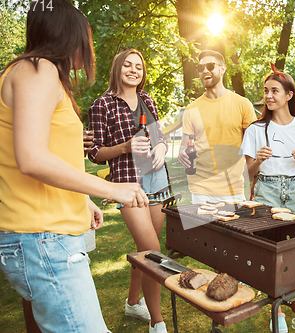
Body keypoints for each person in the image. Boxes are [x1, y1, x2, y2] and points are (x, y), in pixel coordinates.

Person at [0, 1, 148, 332]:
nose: (89, 46)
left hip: (45, 236)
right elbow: (31, 158)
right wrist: (111, 189)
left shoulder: (35, 74)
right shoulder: (38, 69)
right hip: (43, 239)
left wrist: (82, 200)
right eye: (86, 35)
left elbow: (49, 153)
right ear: (69, 33)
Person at [88, 48, 169, 333]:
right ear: (118, 69)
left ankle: (133, 302)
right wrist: (125, 147)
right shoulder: (103, 104)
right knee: (154, 252)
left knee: (144, 250)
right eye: (128, 65)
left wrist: (161, 146)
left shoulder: (148, 98)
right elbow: (95, 153)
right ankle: (157, 323)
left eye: (138, 66)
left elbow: (159, 136)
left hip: (157, 181)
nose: (134, 70)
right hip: (128, 184)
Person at [240, 64, 295, 333]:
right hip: (267, 190)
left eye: (274, 91)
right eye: (266, 91)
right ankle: (277, 311)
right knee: (269, 249)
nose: (268, 96)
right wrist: (257, 161)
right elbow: (247, 174)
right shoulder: (255, 129)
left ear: (289, 95)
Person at [177, 50, 257, 204]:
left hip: (234, 189)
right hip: (201, 189)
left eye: (210, 66)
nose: (205, 71)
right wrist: (182, 154)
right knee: (205, 229)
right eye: (200, 68)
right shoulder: (191, 109)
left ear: (223, 68)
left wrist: (253, 182)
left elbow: (252, 149)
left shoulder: (243, 104)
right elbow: (184, 146)